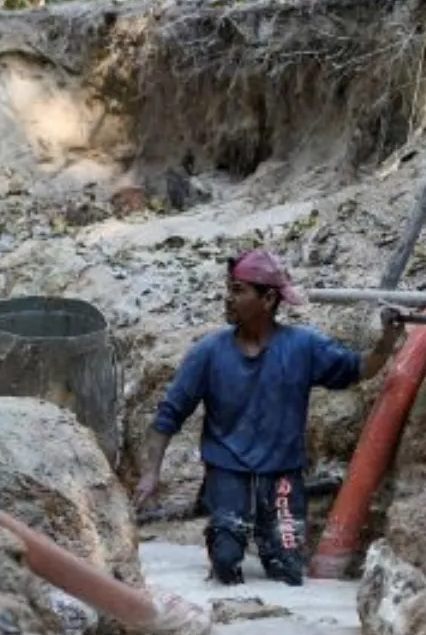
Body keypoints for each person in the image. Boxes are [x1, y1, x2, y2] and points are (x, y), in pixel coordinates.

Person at [137, 249, 405, 586]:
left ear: (267, 299)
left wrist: (388, 340)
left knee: (288, 571)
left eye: (238, 290)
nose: (227, 299)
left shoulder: (303, 346)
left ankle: (273, 541)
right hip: (228, 470)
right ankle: (228, 538)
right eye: (229, 288)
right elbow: (168, 415)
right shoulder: (207, 352)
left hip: (281, 476)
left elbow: (360, 368)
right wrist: (150, 474)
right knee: (225, 561)